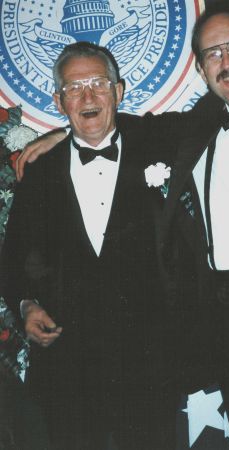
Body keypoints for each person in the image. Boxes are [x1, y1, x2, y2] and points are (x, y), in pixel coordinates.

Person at [15, 2, 229, 447]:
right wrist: (63, 134)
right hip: (228, 333)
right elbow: (118, 127)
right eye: (213, 54)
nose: (226, 62)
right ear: (201, 69)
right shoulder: (196, 127)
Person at [0, 41, 180, 450]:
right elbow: (14, 257)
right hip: (68, 366)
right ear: (58, 100)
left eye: (98, 83)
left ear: (118, 91)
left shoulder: (156, 145)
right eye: (74, 87)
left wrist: (63, 133)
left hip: (149, 365)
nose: (87, 96)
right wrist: (26, 306)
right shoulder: (39, 169)